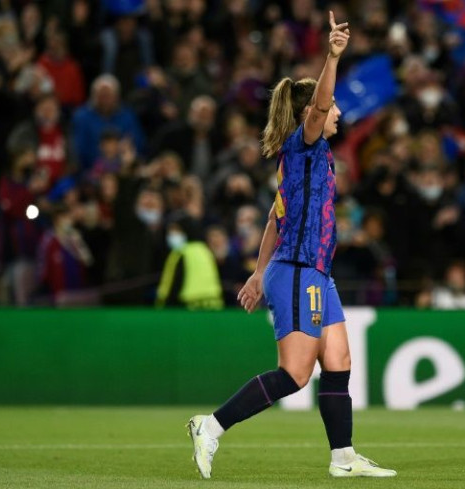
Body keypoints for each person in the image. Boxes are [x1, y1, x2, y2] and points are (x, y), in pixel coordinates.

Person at [186, 12, 395, 479]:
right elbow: (319, 107)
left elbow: (273, 219)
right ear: (309, 116)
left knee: (338, 360)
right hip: (300, 270)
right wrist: (333, 56)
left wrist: (259, 273)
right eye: (332, 105)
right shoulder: (306, 144)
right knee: (296, 375)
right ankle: (211, 425)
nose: (337, 110)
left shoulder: (302, 163)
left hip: (312, 271)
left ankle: (343, 458)